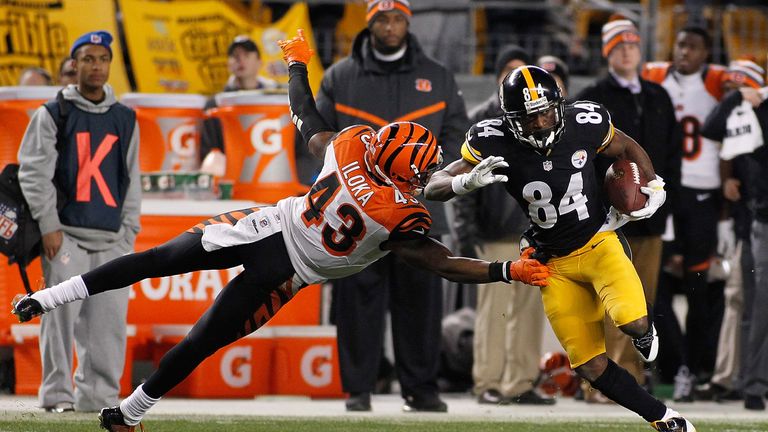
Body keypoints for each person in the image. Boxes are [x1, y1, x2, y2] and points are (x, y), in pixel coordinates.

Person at [11, 30, 550, 432]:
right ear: (402, 174)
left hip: (263, 226)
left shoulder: (351, 147)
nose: (425, 176)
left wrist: (296, 66)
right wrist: (505, 269)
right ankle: (129, 412)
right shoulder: (398, 217)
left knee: (155, 261)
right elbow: (444, 263)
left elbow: (305, 115)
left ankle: (45, 298)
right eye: (420, 170)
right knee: (202, 340)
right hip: (287, 274)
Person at [425, 65, 697, 432]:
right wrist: (463, 183)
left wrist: (653, 183)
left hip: (598, 240)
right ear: (509, 120)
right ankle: (664, 418)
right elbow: (433, 184)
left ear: (560, 105)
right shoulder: (492, 139)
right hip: (551, 261)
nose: (540, 124)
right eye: (529, 118)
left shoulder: (584, 121)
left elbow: (626, 145)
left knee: (632, 322)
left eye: (545, 113)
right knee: (588, 365)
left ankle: (645, 330)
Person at [315, 0, 470, 412]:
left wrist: (428, 174)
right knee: (356, 303)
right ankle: (359, 390)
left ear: (407, 22)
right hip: (358, 211)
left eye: (397, 18)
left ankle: (420, 390)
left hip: (418, 211)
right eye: (382, 19)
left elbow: (458, 135)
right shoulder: (340, 77)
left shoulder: (437, 76)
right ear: (370, 23)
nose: (390, 26)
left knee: (420, 304)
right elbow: (318, 141)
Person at [16, 30, 142, 413]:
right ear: (75, 64)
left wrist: (128, 233)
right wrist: (49, 225)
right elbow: (33, 173)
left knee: (108, 326)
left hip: (111, 238)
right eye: (88, 59)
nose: (96, 66)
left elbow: (132, 178)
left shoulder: (126, 118)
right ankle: (57, 397)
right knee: (57, 320)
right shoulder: (53, 112)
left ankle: (99, 400)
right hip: (66, 236)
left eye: (102, 59)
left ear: (109, 64)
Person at [575, 18, 680, 400]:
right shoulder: (591, 98)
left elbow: (671, 157)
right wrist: (604, 203)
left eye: (632, 44)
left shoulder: (658, 95)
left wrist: (660, 202)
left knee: (641, 303)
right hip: (606, 221)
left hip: (649, 218)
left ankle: (631, 379)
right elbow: (581, 161)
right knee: (608, 299)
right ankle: (602, 382)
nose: (626, 51)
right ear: (607, 52)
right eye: (618, 45)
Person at [452, 45, 554, 406]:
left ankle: (521, 382)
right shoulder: (481, 121)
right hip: (493, 232)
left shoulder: (541, 119)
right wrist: (467, 232)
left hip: (534, 233)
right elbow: (463, 184)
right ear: (498, 76)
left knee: (528, 312)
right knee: (494, 311)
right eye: (510, 71)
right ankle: (488, 381)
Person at [642, 26, 727, 401]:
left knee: (698, 289)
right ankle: (671, 363)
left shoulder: (717, 81)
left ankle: (691, 369)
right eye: (680, 45)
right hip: (664, 191)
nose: (684, 52)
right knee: (652, 287)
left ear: (707, 53)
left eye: (693, 47)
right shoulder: (656, 76)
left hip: (703, 195)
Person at [701, 62, 767, 410]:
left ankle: (748, 381)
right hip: (753, 222)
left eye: (740, 88)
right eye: (728, 89)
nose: (733, 95)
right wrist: (737, 98)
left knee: (753, 304)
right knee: (749, 303)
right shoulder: (739, 117)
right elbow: (710, 128)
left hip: (756, 220)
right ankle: (745, 381)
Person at [199, 35, 279, 162]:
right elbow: (209, 151)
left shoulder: (277, 101)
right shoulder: (215, 104)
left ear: (259, 62)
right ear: (228, 65)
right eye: (235, 56)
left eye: (246, 55)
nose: (240, 60)